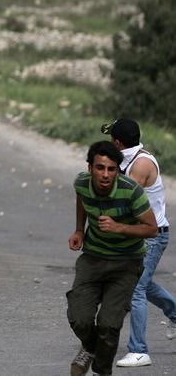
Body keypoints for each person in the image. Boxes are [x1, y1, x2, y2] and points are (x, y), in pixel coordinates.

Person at [67, 140, 157, 376]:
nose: (105, 175)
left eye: (111, 169)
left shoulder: (131, 191)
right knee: (79, 318)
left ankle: (101, 371)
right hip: (93, 258)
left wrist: (119, 228)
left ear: (117, 170)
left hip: (126, 263)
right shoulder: (82, 183)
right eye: (100, 168)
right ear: (90, 168)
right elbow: (82, 199)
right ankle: (89, 346)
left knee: (109, 324)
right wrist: (79, 230)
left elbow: (151, 228)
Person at [97, 119, 176, 368]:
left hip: (152, 235)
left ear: (118, 143)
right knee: (142, 282)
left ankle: (139, 351)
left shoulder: (140, 164)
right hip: (140, 233)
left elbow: (126, 201)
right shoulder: (127, 160)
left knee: (136, 289)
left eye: (112, 140)